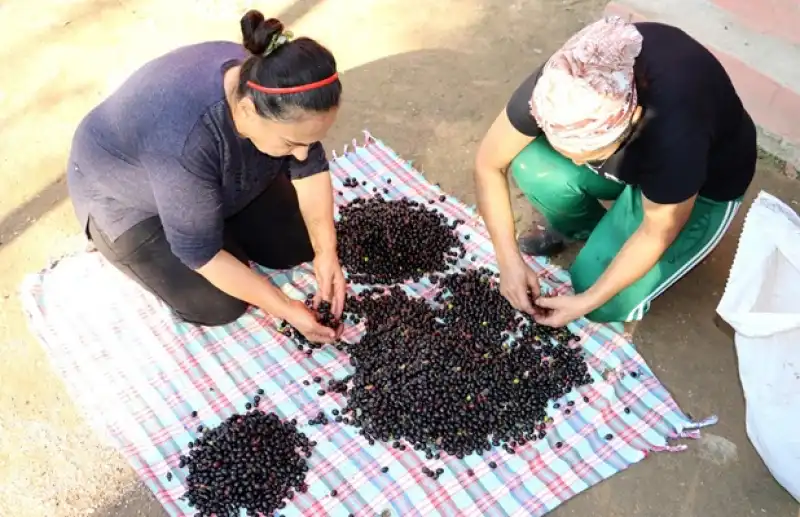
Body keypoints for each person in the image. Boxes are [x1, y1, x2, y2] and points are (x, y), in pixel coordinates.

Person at [66, 10, 345, 343]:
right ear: (247, 111)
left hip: (199, 179)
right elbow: (200, 254)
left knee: (299, 244)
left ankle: (207, 213)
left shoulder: (272, 85)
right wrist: (285, 307)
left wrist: (326, 251)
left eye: (309, 142)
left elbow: (309, 166)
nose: (302, 153)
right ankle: (192, 221)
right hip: (126, 203)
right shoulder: (183, 142)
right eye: (291, 143)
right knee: (220, 303)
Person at [474, 16, 756, 327]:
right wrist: (508, 259)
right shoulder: (562, 81)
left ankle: (623, 240)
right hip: (641, 165)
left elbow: (656, 232)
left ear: (629, 123)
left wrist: (586, 301)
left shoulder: (675, 137)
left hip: (702, 188)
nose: (578, 165)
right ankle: (597, 230)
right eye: (570, 152)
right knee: (533, 163)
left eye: (588, 156)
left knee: (601, 301)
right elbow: (489, 164)